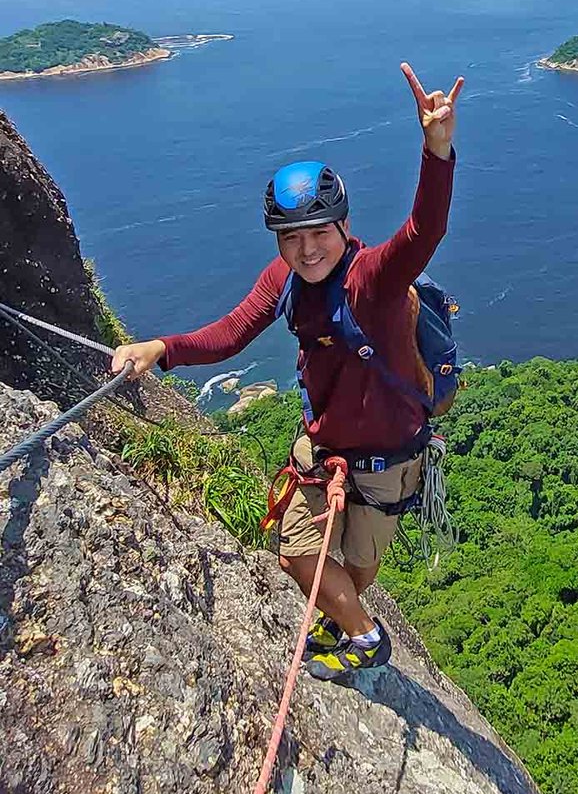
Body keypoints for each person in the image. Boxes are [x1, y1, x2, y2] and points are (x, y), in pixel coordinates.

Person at [112, 63, 461, 676]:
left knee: (355, 566)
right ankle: (367, 637)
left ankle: (341, 620)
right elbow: (228, 334)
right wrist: (160, 349)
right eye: (290, 237)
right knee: (300, 555)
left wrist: (436, 149)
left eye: (318, 233)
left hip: (390, 457)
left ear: (344, 227)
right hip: (324, 449)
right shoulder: (286, 281)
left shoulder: (373, 280)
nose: (306, 250)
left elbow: (423, 230)